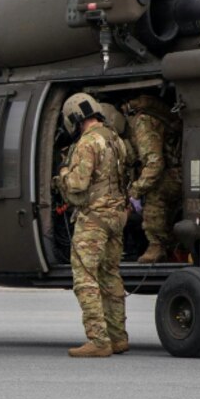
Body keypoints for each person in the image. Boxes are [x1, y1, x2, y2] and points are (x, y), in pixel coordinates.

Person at [54, 93, 132, 358]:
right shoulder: (116, 141)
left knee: (85, 277)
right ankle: (118, 337)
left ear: (75, 118)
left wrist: (62, 174)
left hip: (95, 218)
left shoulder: (88, 143)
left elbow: (77, 184)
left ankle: (98, 340)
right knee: (110, 276)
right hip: (116, 217)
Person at [123, 94, 183, 263]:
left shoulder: (142, 123)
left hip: (177, 172)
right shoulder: (139, 121)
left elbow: (155, 164)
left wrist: (135, 191)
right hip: (175, 170)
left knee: (154, 193)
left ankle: (158, 245)